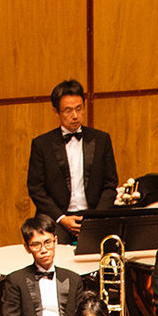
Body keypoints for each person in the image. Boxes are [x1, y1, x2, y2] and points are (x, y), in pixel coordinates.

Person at [26, 79, 119, 244]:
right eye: (68, 110)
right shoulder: (42, 144)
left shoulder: (101, 139)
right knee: (55, 249)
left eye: (79, 108)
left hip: (93, 215)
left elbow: (110, 184)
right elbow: (36, 189)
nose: (75, 116)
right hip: (57, 217)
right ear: (56, 111)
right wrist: (62, 218)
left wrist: (96, 218)